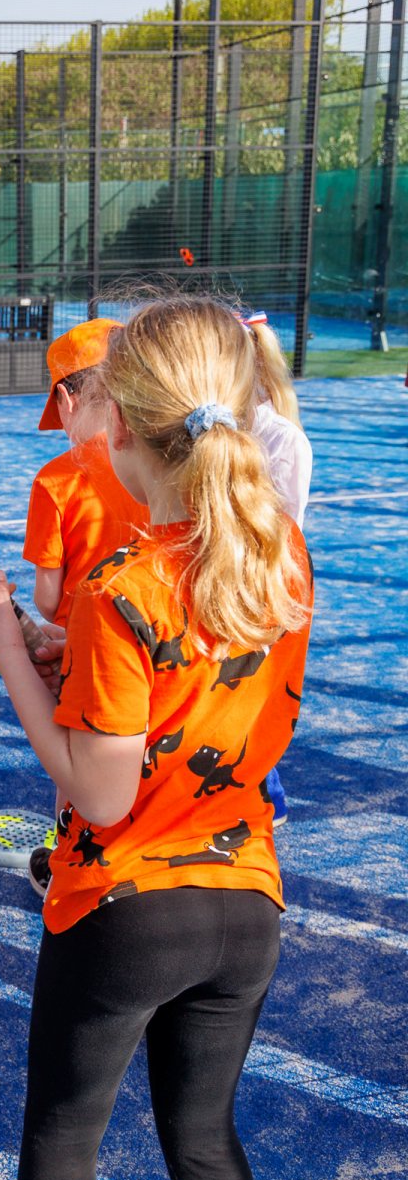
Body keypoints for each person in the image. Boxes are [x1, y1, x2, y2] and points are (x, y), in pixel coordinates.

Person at [0, 296, 313, 1180]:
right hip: (246, 904)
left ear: (114, 420)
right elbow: (191, 681)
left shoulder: (123, 587)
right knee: (204, 1139)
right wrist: (64, 654)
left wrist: (9, 657)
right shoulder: (277, 553)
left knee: (64, 1131)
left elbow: (100, 795)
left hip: (125, 911)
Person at [22, 318, 148, 897]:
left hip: (87, 652)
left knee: (79, 769)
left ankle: (69, 870)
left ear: (66, 399)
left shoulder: (56, 479)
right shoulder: (164, 459)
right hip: (159, 642)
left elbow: (48, 599)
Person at [245, 311, 313, 827]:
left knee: (250, 691)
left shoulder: (282, 438)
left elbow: (284, 528)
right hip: (229, 571)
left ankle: (268, 795)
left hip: (262, 578)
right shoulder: (224, 427)